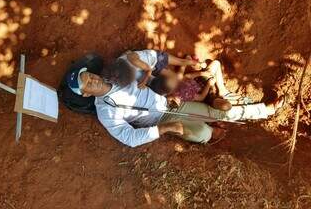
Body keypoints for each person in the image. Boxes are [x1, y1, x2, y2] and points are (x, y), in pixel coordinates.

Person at [67, 68, 285, 148]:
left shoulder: (117, 74)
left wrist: (169, 92)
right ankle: (212, 133)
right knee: (202, 132)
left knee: (222, 112)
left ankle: (264, 111)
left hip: (169, 102)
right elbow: (129, 138)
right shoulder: (105, 111)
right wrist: (162, 130)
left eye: (90, 76)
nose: (93, 80)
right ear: (85, 93)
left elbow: (149, 76)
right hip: (160, 120)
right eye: (87, 83)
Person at [150, 58, 232, 111]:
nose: (177, 100)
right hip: (204, 84)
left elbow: (186, 76)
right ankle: (221, 90)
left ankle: (221, 90)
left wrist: (203, 74)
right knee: (216, 63)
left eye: (172, 101)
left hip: (200, 80)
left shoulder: (175, 89)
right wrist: (209, 84)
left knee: (216, 64)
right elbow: (201, 97)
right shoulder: (186, 97)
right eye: (176, 103)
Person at [110, 49, 204, 88]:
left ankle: (197, 64)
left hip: (157, 58)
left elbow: (148, 69)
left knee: (181, 62)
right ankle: (189, 64)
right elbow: (128, 52)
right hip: (153, 66)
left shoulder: (134, 61)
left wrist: (144, 81)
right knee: (175, 79)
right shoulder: (120, 61)